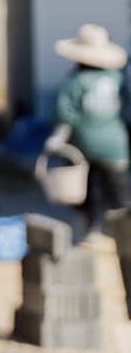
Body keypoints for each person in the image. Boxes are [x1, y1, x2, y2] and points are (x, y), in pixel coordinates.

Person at [53, 24, 129, 234]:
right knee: (120, 192)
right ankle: (121, 233)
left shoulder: (75, 80)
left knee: (90, 190)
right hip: (115, 143)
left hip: (84, 143)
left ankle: (94, 229)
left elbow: (65, 113)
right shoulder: (116, 77)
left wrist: (58, 136)